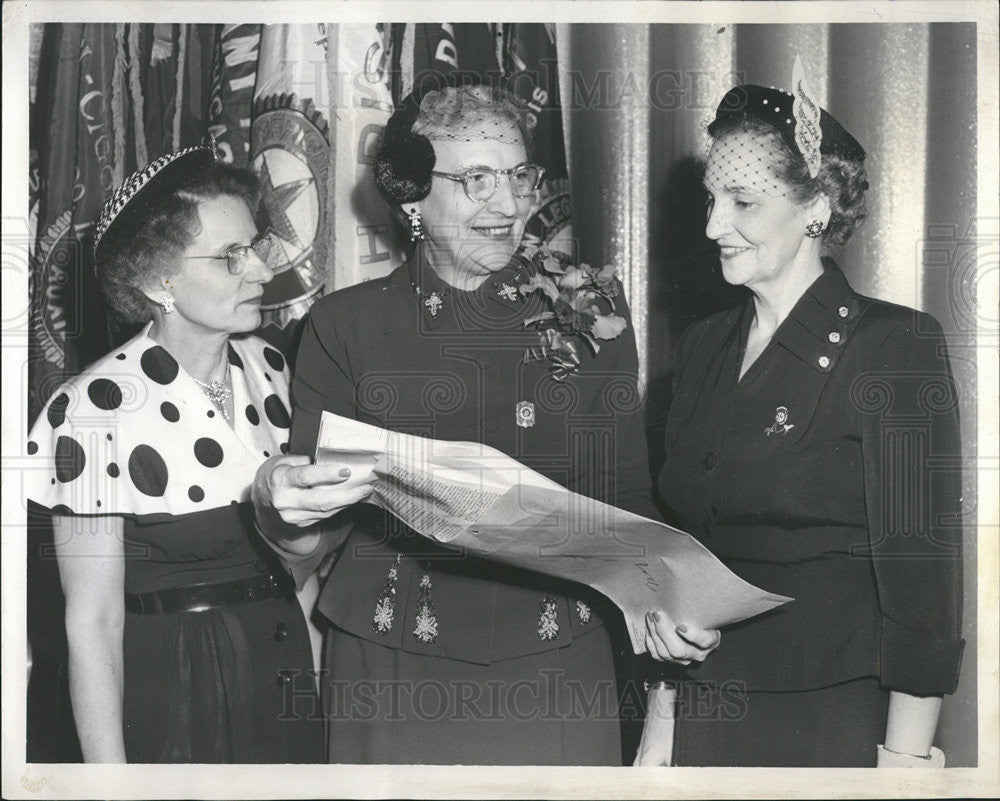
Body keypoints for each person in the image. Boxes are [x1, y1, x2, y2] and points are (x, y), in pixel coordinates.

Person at [251, 83, 684, 765]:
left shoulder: (591, 308)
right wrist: (276, 494)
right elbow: (306, 542)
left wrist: (671, 628)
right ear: (412, 197)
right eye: (476, 180)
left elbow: (625, 492)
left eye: (518, 176)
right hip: (391, 666)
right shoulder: (345, 327)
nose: (510, 206)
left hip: (557, 660)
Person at [638, 82, 964, 767]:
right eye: (710, 198)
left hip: (832, 721)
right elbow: (679, 547)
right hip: (706, 710)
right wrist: (660, 719)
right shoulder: (700, 349)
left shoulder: (893, 347)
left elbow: (922, 594)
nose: (712, 226)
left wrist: (901, 771)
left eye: (744, 202)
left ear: (815, 207)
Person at [25, 147, 325, 763]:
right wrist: (111, 782)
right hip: (174, 685)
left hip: (281, 667)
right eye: (229, 257)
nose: (263, 273)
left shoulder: (271, 367)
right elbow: (92, 621)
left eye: (256, 247)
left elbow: (302, 565)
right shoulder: (90, 408)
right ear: (157, 281)